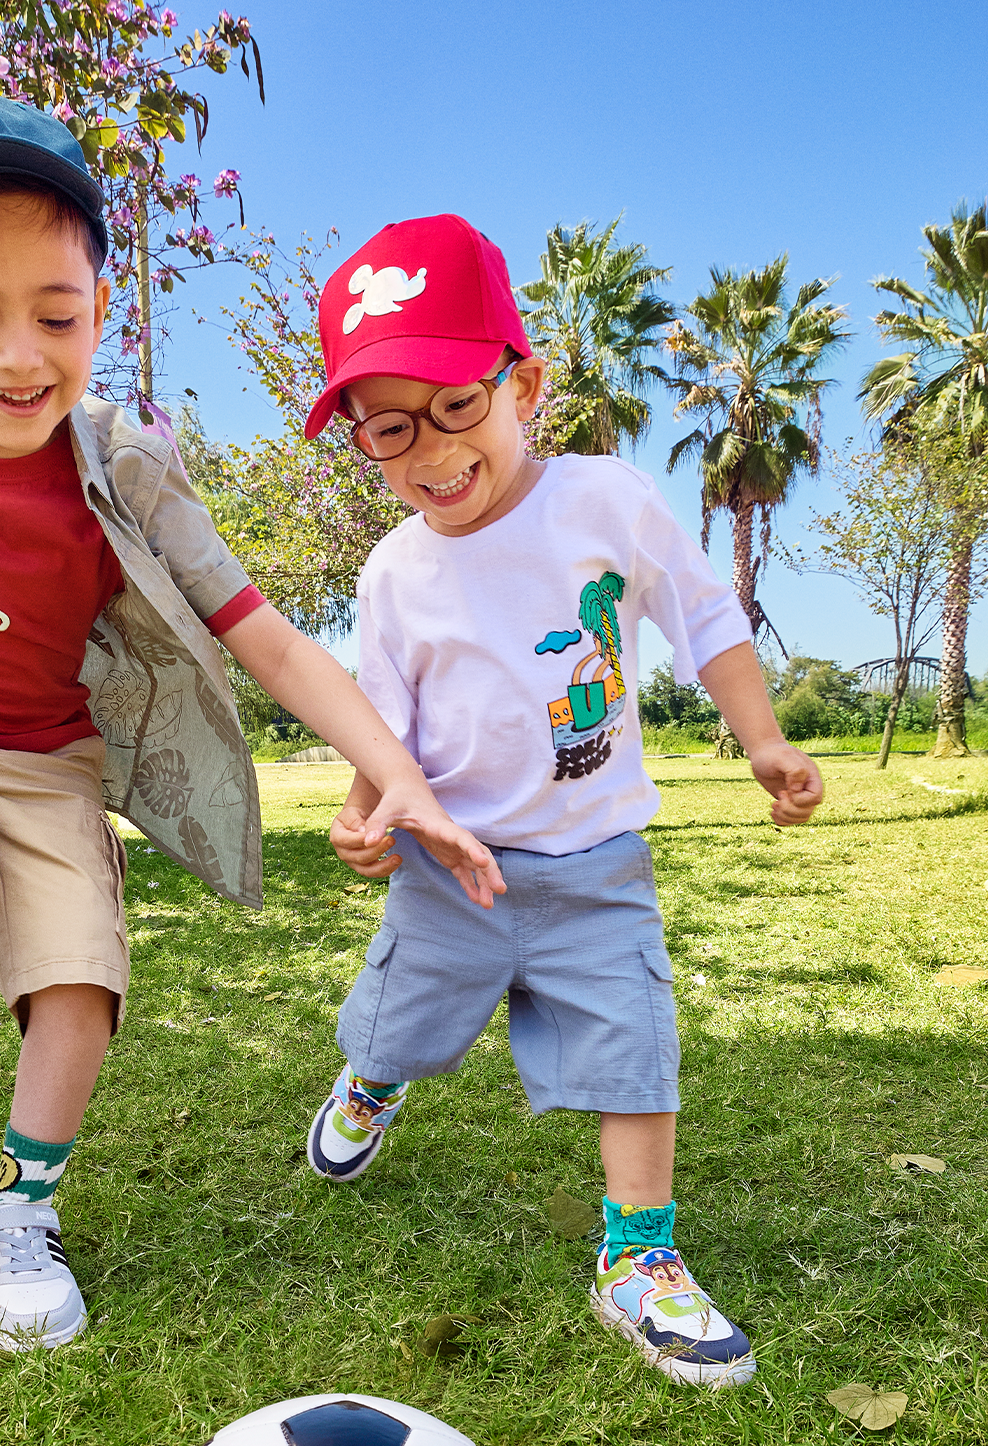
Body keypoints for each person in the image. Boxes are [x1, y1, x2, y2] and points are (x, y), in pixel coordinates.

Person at [0, 96, 502, 1352]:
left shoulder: (128, 466)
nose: (21, 354)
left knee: (79, 980)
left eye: (57, 316)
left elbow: (270, 637)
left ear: (100, 308)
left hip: (52, 757)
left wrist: (397, 774)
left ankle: (23, 1207)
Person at [300, 214, 824, 1388]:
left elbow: (705, 617)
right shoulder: (393, 572)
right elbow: (380, 715)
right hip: (453, 869)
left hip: (597, 864)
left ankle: (636, 1261)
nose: (430, 451)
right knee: (401, 1024)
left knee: (636, 1050)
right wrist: (365, 807)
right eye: (390, 429)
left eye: (454, 407)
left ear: (522, 384)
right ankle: (373, 1082)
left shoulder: (605, 502)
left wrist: (765, 740)